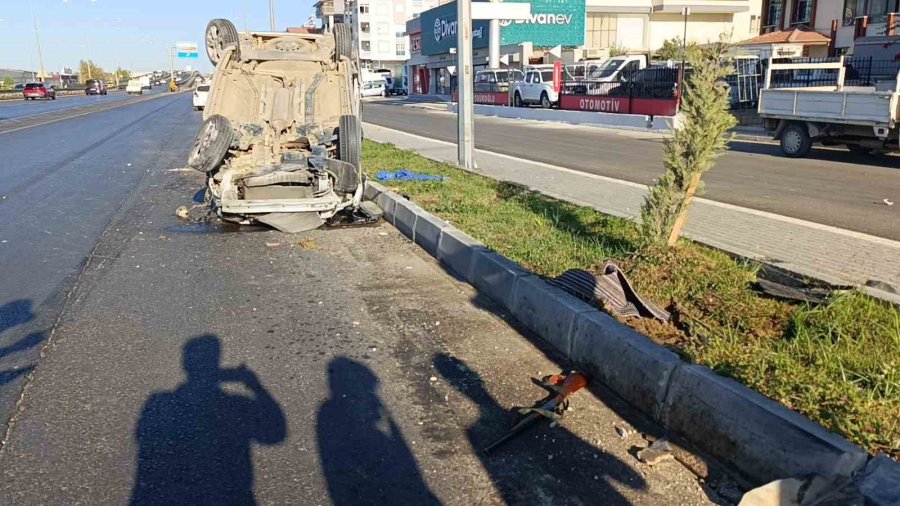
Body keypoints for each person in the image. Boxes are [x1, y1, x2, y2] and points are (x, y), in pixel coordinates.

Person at [131, 335, 285, 505]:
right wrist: (255, 385)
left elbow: (147, 455)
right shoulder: (236, 407)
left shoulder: (161, 403)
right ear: (217, 366)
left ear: (185, 365)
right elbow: (275, 433)